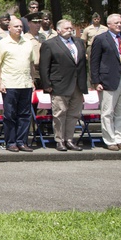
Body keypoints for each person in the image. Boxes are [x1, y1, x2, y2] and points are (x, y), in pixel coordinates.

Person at [38, 19, 87, 152]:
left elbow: (82, 64)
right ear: (58, 30)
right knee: (59, 114)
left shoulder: (79, 42)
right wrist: (47, 84)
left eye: (70, 28)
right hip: (59, 84)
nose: (69, 30)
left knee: (74, 114)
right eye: (66, 28)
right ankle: (59, 140)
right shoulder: (50, 44)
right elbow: (44, 66)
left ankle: (69, 140)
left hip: (77, 85)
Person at [90, 13, 121, 151]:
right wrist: (95, 81)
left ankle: (120, 139)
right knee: (108, 111)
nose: (119, 24)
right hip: (108, 80)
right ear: (108, 24)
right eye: (116, 23)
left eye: (120, 22)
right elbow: (94, 62)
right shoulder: (101, 39)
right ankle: (110, 140)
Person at [0, 18, 37, 153]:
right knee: (10, 115)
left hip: (25, 84)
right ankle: (11, 142)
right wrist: (0, 82)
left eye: (20, 26)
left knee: (24, 114)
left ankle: (22, 141)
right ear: (9, 28)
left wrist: (32, 80)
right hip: (9, 84)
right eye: (16, 26)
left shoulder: (28, 43)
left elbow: (31, 63)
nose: (19, 28)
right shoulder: (2, 43)